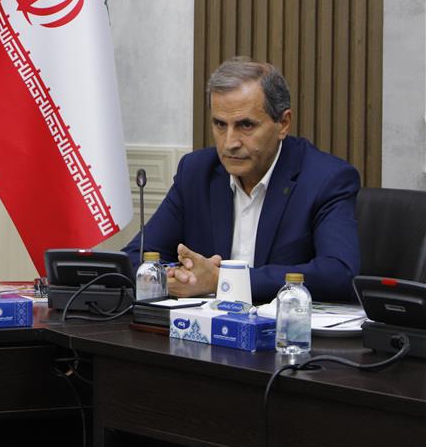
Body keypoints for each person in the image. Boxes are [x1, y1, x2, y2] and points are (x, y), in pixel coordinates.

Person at [123, 57, 360, 303]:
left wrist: (222, 280)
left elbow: (339, 273)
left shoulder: (325, 179)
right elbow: (135, 256)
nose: (229, 143)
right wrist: (171, 276)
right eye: (220, 124)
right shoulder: (196, 172)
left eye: (245, 125)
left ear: (283, 124)